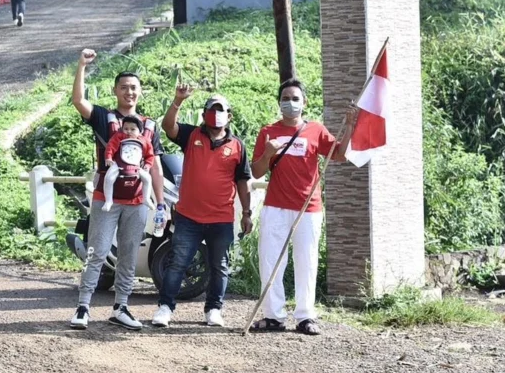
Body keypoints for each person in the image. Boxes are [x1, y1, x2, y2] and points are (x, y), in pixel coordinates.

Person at [249, 79, 355, 336]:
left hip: (308, 208)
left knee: (306, 262)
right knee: (271, 260)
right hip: (275, 207)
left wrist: (350, 124)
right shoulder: (268, 132)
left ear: (304, 103)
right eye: (286, 98)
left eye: (295, 98)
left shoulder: (315, 130)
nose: (291, 102)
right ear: (279, 102)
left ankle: (305, 317)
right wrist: (268, 154)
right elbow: (256, 171)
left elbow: (338, 154)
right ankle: (273, 316)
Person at [70, 49, 166, 331]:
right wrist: (81, 67)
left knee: (128, 254)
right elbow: (78, 100)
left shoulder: (149, 126)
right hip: (105, 198)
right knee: (97, 251)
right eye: (123, 87)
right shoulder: (104, 118)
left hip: (137, 201)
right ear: (115, 91)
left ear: (140, 92)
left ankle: (121, 306)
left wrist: (160, 203)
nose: (129, 92)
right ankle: (83, 307)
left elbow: (156, 167)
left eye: (134, 88)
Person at [152, 85, 252, 329]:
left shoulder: (237, 146)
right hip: (189, 217)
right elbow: (168, 128)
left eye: (221, 110)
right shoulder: (192, 135)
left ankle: (214, 309)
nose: (216, 114)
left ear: (229, 116)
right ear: (204, 113)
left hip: (221, 218)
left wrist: (247, 214)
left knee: (220, 266)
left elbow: (243, 181)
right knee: (178, 263)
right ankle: (165, 307)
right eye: (211, 109)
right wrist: (177, 101)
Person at [100, 117, 156, 212]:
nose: (129, 131)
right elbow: (110, 147)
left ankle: (146, 198)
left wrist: (148, 165)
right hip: (119, 164)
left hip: (136, 166)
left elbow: (150, 155)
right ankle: (108, 201)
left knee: (147, 179)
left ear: (140, 130)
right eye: (126, 129)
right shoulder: (118, 137)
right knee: (108, 178)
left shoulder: (144, 141)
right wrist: (108, 158)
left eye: (133, 129)